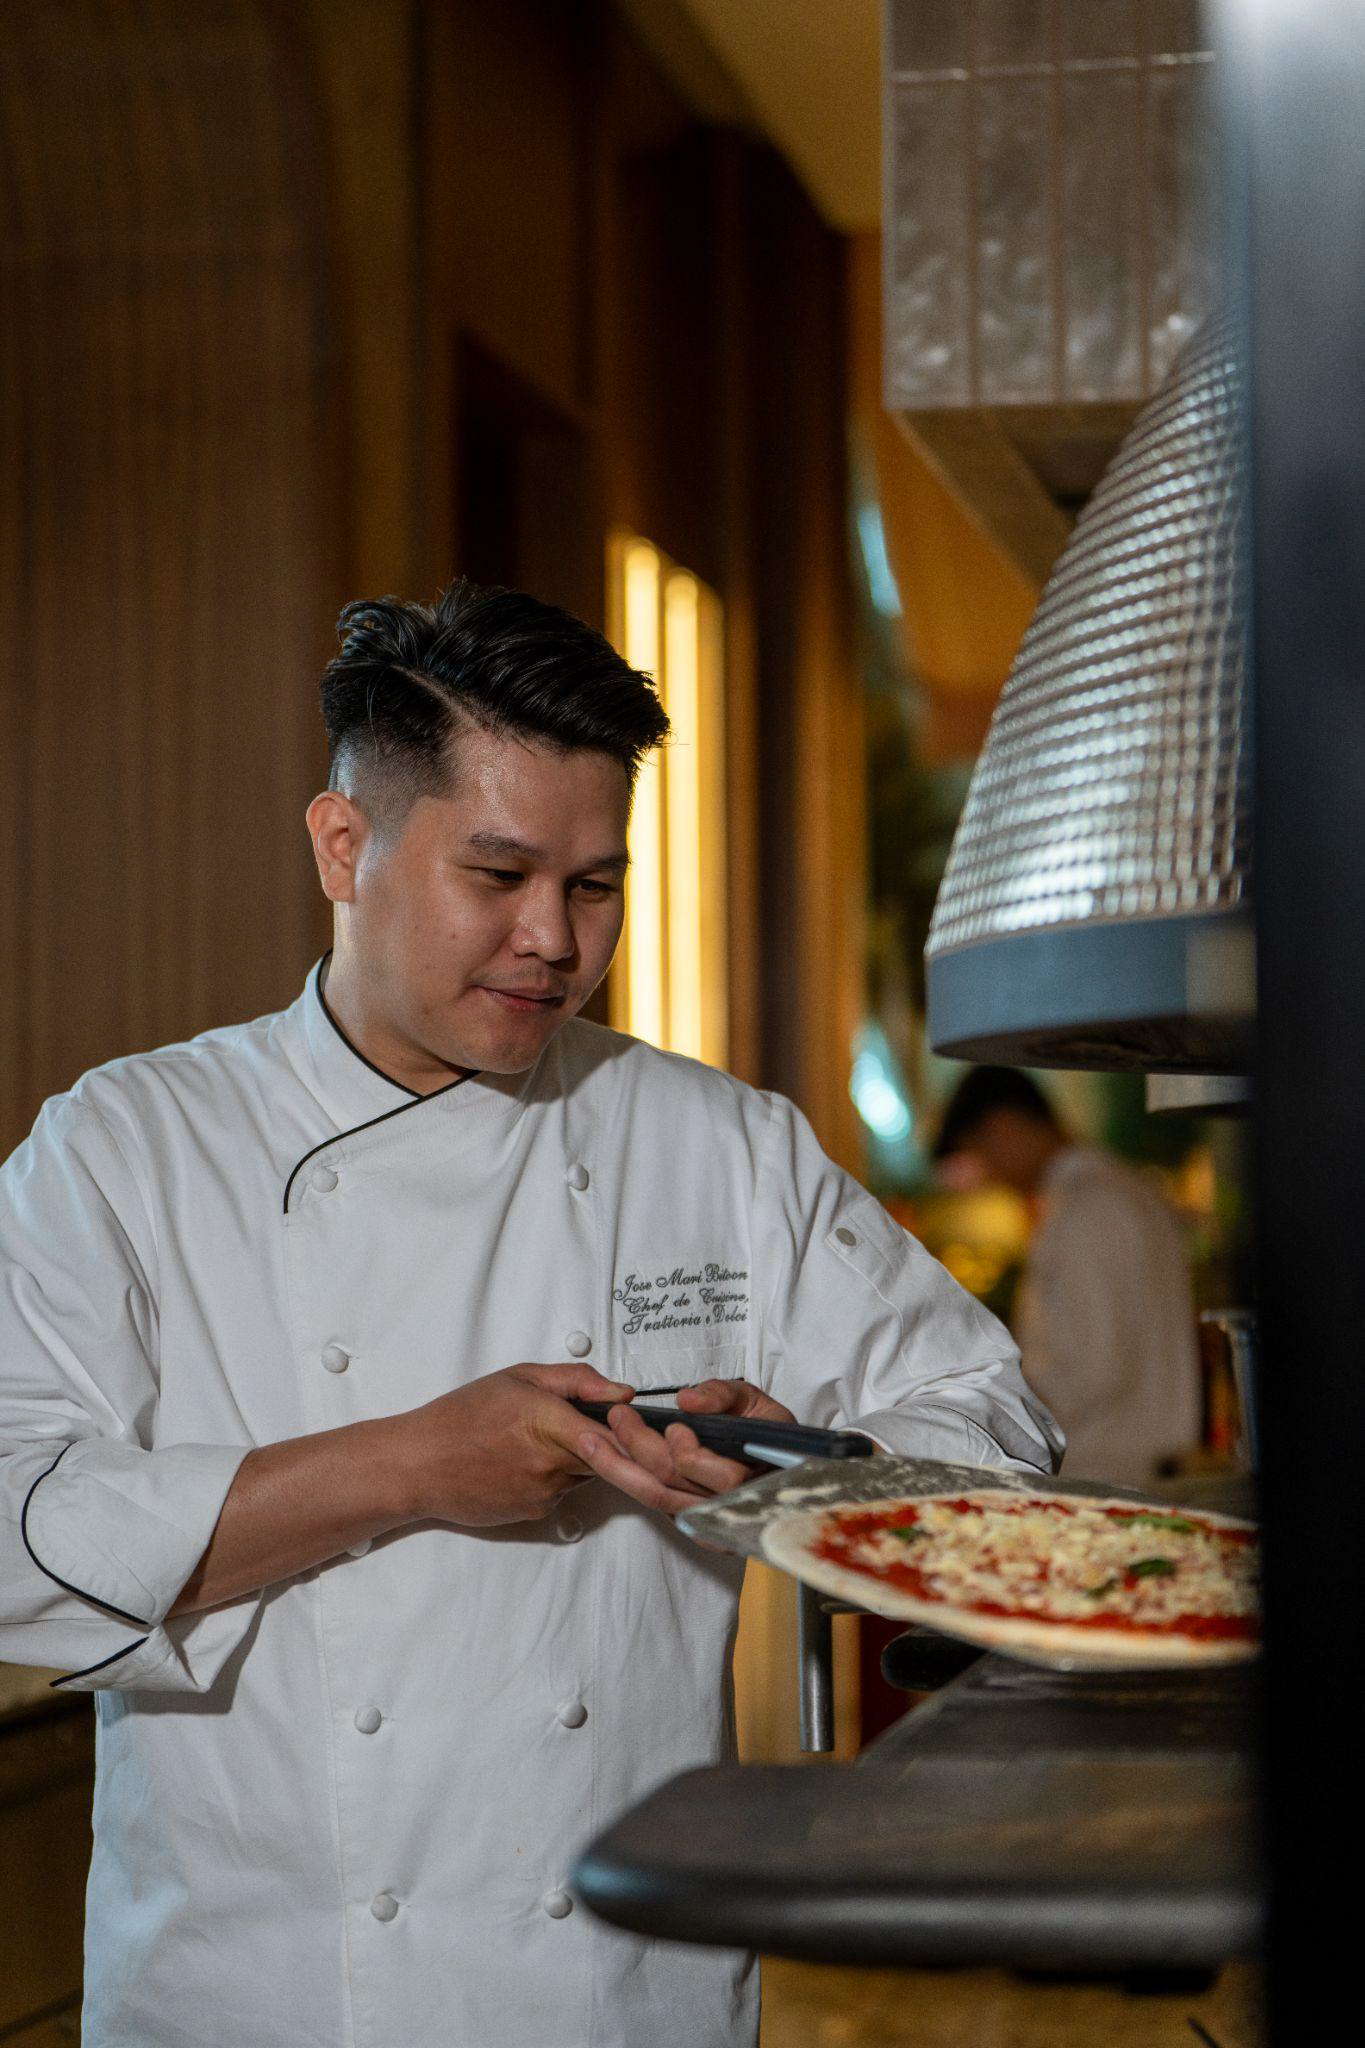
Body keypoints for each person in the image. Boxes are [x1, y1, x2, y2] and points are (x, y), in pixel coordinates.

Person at [0, 583, 1060, 2048]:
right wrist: (419, 1465)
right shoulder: (124, 1149)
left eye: (594, 885)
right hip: (258, 2000)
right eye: (497, 875)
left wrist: (813, 1470)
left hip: (620, 1994)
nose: (551, 941)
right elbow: (15, 1535)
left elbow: (998, 1431)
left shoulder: (716, 1145)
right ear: (341, 845)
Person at [934, 1065, 1201, 1490]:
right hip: (1132, 1467)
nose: (990, 1176)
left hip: (1110, 1474)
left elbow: (1089, 1368)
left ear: (1003, 1127)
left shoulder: (1090, 1209)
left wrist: (978, 1406)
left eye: (980, 1155)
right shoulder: (1117, 1191)